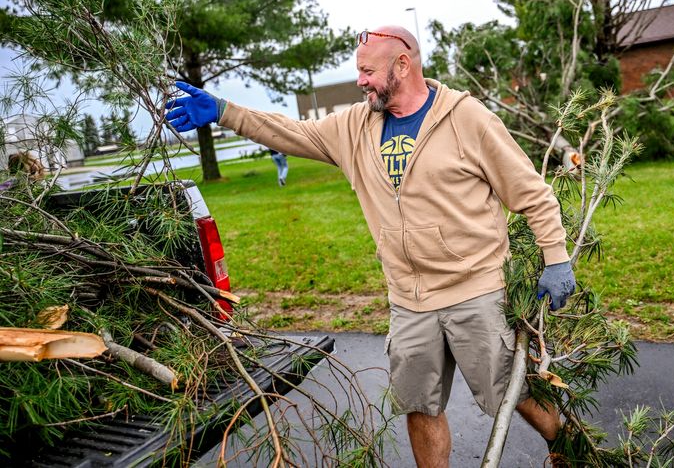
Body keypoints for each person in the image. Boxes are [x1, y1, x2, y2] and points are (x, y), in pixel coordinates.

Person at [166, 26, 576, 467]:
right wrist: (225, 110)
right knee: (419, 405)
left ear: (403, 65)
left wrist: (556, 259)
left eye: (367, 71)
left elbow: (531, 193)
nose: (360, 81)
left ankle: (568, 447)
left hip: (475, 288)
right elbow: (289, 131)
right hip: (408, 298)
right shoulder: (355, 126)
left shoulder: (467, 118)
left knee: (512, 392)